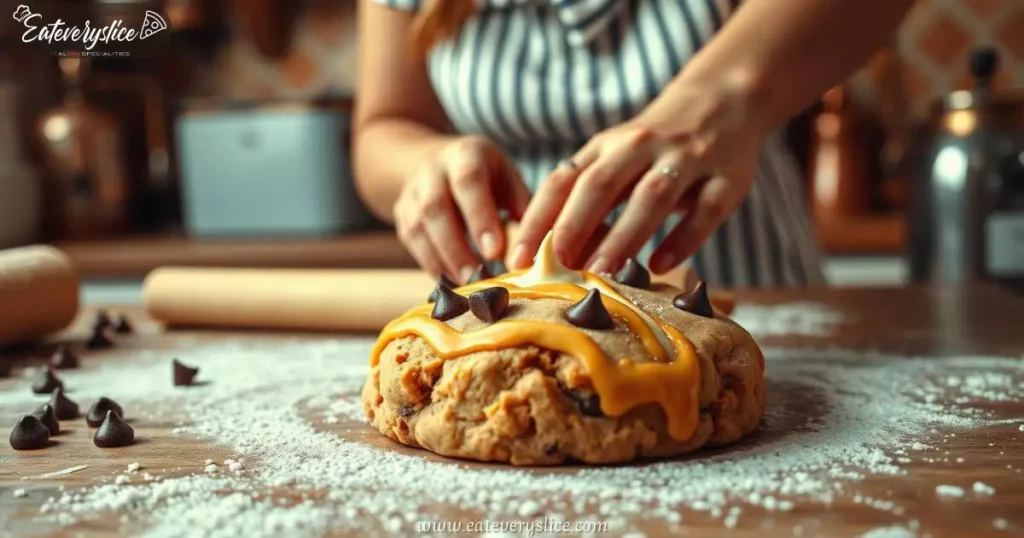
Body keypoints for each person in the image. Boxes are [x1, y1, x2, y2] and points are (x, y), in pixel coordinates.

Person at [352, 0, 913, 287]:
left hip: (756, 302)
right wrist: (423, 166)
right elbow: (383, 128)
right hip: (509, 309)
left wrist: (729, 94)